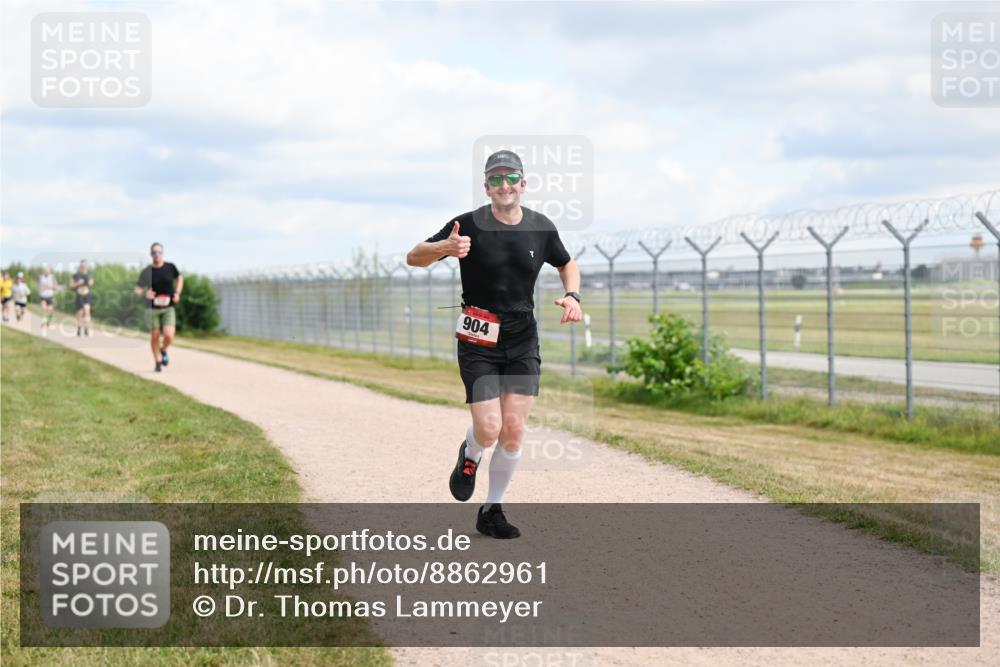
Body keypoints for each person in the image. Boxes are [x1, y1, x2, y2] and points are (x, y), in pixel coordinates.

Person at [406, 149, 582, 539]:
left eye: (511, 177)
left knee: (514, 430)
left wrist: (573, 296)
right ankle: (470, 455)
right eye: (496, 179)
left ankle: (492, 509)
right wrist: (443, 249)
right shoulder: (465, 225)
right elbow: (413, 257)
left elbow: (566, 263)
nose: (504, 185)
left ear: (523, 183)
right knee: (488, 430)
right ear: (486, 187)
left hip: (522, 336)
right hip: (478, 336)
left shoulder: (541, 227)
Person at [134, 242, 183, 372]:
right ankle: (157, 361)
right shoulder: (146, 271)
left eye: (159, 251)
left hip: (168, 307)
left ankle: (163, 350)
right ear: (151, 254)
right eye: (154, 252)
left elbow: (180, 278)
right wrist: (145, 293)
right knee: (155, 335)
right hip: (152, 308)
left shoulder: (170, 267)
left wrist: (177, 293)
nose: (157, 254)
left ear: (162, 253)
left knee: (169, 335)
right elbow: (137, 289)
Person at [70, 260, 94, 336]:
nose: (83, 266)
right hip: (79, 295)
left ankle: (87, 328)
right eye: (82, 265)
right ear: (80, 266)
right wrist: (78, 283)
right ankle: (79, 328)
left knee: (87, 310)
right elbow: (71, 285)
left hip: (87, 295)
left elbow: (91, 283)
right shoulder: (76, 275)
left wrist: (89, 282)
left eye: (85, 265)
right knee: (79, 313)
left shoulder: (89, 274)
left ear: (87, 266)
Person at [37, 264, 59, 336]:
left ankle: (48, 323)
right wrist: (40, 291)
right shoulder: (41, 277)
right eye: (45, 270)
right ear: (43, 271)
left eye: (47, 270)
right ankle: (44, 326)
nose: (46, 272)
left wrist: (50, 287)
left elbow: (56, 287)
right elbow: (38, 287)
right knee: (44, 309)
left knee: (50, 311)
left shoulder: (52, 277)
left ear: (50, 271)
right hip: (43, 296)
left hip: (50, 296)